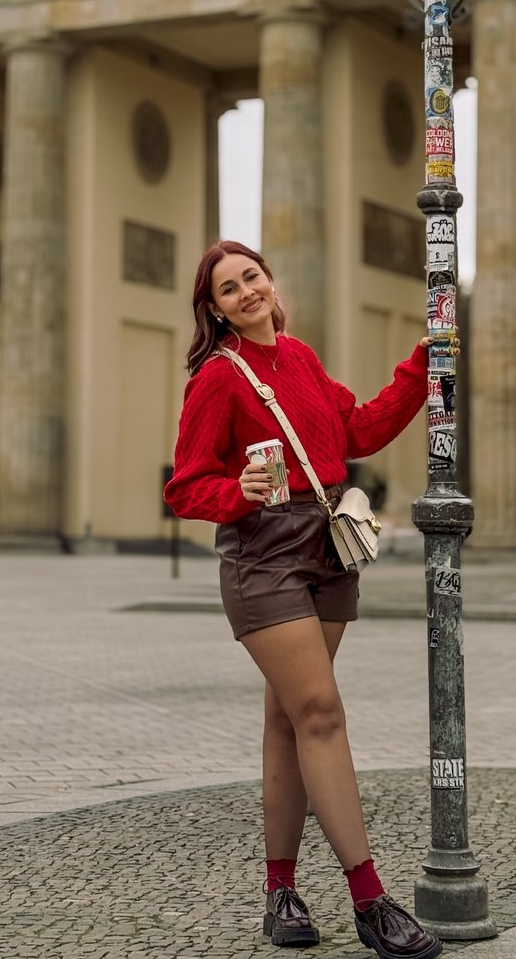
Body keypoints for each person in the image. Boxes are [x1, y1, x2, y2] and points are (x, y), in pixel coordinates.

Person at [164, 240, 444, 958]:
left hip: (324, 551)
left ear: (269, 281)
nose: (246, 292)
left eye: (250, 277)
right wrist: (236, 491)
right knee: (319, 711)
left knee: (288, 719)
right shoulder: (219, 379)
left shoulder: (302, 357)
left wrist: (422, 366)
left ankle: (281, 890)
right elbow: (185, 485)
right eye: (228, 289)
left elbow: (359, 429)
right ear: (215, 310)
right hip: (263, 557)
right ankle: (371, 899)